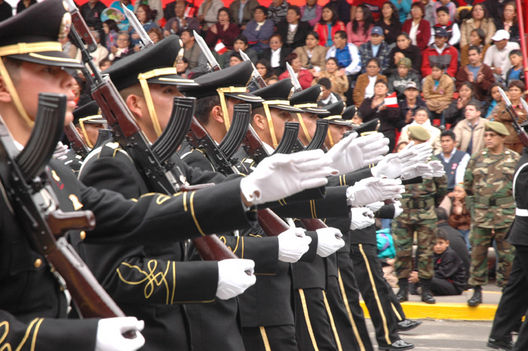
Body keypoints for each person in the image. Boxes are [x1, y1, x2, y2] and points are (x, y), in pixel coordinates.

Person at [464, 121, 519, 307]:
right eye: (486, 135)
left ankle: (507, 291)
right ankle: (477, 290)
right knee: (477, 253)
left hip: (506, 213)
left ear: (502, 137)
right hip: (482, 213)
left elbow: (520, 187)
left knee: (507, 255)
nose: (488, 138)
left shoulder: (514, 158)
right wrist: (474, 208)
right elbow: (468, 186)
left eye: (492, 135)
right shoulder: (476, 158)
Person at [393, 125, 447, 304]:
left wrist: (430, 204)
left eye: (415, 141)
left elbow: (442, 187)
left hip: (425, 213)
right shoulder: (400, 160)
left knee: (425, 253)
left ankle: (425, 290)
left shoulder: (432, 161)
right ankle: (402, 289)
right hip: (403, 213)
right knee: (402, 252)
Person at [487, 133, 528, 351]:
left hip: (523, 234)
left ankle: (500, 335)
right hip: (526, 234)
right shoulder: (525, 166)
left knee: (518, 289)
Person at [358, 79, 401, 151]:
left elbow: (395, 118)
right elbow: (361, 115)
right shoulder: (368, 101)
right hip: (370, 131)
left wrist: (387, 109)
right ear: (374, 89)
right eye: (377, 86)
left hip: (386, 131)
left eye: (382, 86)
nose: (379, 88)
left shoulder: (391, 100)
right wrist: (372, 107)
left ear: (386, 90)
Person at [491, 80, 528, 153]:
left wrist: (511, 116)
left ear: (521, 92)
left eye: (516, 90)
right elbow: (501, 115)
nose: (513, 92)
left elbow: (525, 119)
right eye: (511, 90)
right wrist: (517, 114)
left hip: (520, 142)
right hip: (506, 140)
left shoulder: (525, 105)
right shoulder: (504, 104)